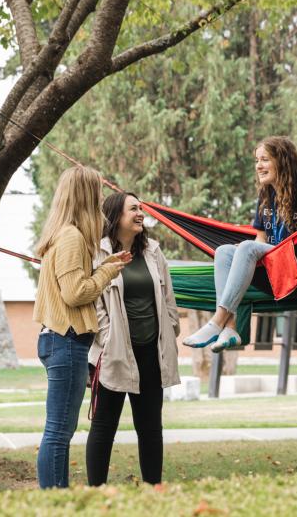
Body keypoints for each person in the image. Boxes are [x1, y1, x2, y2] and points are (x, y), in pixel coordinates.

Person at [34, 166, 131, 489]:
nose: (102, 199)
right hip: (67, 341)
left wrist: (104, 266)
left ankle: (58, 497)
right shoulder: (72, 237)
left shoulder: (62, 235)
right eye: (98, 192)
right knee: (59, 431)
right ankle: (54, 501)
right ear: (86, 196)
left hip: (60, 341)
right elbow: (75, 293)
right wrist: (107, 273)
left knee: (59, 430)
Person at [182, 136, 297, 352]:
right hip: (271, 265)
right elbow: (261, 239)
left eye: (265, 159)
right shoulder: (266, 193)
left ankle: (216, 321)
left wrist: (253, 253)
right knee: (223, 251)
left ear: (283, 161)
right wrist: (252, 264)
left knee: (247, 247)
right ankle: (230, 328)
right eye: (257, 160)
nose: (259, 166)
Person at [85, 192, 181, 486]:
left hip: (152, 352)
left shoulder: (152, 250)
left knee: (151, 427)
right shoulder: (98, 253)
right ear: (116, 216)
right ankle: (96, 493)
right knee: (103, 426)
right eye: (133, 209)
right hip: (113, 353)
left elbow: (167, 297)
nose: (140, 213)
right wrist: (106, 335)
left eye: (141, 208)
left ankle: (154, 490)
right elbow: (94, 301)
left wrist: (171, 325)